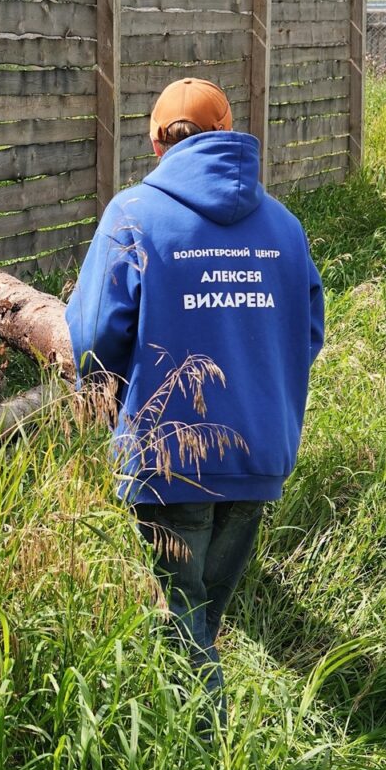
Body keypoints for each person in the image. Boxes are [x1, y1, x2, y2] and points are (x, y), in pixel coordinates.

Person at [65, 77, 324, 723]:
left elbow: (93, 335)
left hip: (169, 454)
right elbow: (310, 331)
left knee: (182, 620)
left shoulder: (133, 213)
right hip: (260, 451)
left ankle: (204, 759)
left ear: (157, 144)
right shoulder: (284, 226)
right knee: (204, 611)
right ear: (228, 131)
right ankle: (200, 736)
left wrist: (110, 397)